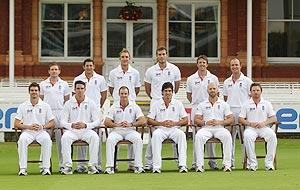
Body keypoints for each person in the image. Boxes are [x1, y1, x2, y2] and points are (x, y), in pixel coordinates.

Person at [144, 46, 181, 170]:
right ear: (156, 56)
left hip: (171, 102)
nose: (161, 56)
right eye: (159, 54)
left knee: (175, 131)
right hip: (156, 102)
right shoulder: (150, 70)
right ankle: (149, 163)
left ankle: (179, 161)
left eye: (163, 54)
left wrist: (169, 96)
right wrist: (156, 98)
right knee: (153, 136)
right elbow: (147, 88)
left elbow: (176, 86)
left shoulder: (174, 69)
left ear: (166, 55)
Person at [107, 48, 141, 170]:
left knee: (133, 133)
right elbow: (111, 89)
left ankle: (132, 164)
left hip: (131, 104)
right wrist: (118, 98)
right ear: (119, 59)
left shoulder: (135, 73)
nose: (125, 59)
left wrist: (129, 98)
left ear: (129, 58)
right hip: (117, 104)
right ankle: (113, 164)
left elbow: (137, 89)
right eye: (123, 57)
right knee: (115, 134)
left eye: (127, 57)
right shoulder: (113, 72)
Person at [72, 58, 108, 172]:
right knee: (81, 135)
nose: (89, 67)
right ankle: (81, 165)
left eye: (91, 65)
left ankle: (97, 164)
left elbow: (104, 95)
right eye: (87, 66)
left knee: (96, 138)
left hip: (95, 110)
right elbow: (74, 95)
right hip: (81, 110)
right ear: (84, 67)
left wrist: (98, 107)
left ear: (94, 67)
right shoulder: (78, 79)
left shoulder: (100, 78)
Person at [60, 80, 101, 175]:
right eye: (78, 88)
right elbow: (62, 121)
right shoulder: (68, 103)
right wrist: (71, 125)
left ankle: (92, 166)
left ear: (85, 89)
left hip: (86, 130)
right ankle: (67, 166)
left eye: (82, 88)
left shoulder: (91, 103)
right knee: (65, 138)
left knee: (94, 137)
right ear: (74, 90)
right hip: (72, 131)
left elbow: (97, 121)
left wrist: (86, 125)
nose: (80, 90)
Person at [186, 55, 219, 170]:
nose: (202, 64)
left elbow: (217, 93)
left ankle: (212, 161)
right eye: (200, 62)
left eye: (204, 62)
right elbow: (189, 95)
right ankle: (196, 163)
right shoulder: (191, 79)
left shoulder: (213, 78)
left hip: (210, 108)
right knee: (197, 137)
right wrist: (198, 105)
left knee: (211, 134)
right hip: (196, 108)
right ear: (197, 64)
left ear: (207, 64)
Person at [14, 82, 55, 176]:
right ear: (29, 92)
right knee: (22, 140)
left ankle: (45, 168)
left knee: (47, 140)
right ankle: (23, 168)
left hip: (41, 131)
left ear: (39, 92)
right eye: (32, 90)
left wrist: (43, 126)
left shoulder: (45, 105)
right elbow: (16, 123)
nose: (34, 92)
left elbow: (52, 122)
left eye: (36, 90)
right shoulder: (23, 106)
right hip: (27, 132)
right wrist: (28, 126)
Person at [104, 86, 146, 174]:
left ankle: (138, 166)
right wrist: (117, 124)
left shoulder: (134, 106)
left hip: (130, 131)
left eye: (125, 94)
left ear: (128, 94)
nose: (124, 96)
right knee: (110, 140)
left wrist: (131, 124)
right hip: (117, 131)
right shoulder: (114, 106)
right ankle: (110, 167)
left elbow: (143, 120)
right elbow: (106, 121)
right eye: (122, 94)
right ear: (119, 95)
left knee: (138, 139)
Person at [148, 82, 188, 173]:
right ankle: (156, 167)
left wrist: (175, 123)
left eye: (170, 91)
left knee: (181, 135)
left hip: (174, 129)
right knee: (156, 135)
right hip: (160, 129)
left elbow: (185, 120)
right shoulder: (156, 104)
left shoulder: (178, 103)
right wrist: (161, 123)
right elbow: (149, 120)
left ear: (172, 92)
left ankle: (182, 165)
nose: (168, 93)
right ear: (162, 92)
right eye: (165, 91)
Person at [194, 83, 233, 172]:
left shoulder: (224, 104)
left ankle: (227, 165)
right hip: (206, 128)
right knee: (199, 136)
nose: (212, 90)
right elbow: (196, 119)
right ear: (207, 90)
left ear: (217, 90)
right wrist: (205, 122)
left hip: (220, 128)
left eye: (214, 88)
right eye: (210, 89)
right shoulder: (202, 104)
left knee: (227, 136)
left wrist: (220, 122)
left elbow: (231, 119)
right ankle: (199, 165)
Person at [239, 83, 277, 171]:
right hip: (251, 128)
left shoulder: (267, 103)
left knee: (272, 136)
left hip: (264, 128)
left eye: (257, 90)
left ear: (261, 91)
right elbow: (240, 119)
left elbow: (274, 117)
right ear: (250, 92)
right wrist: (249, 123)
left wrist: (264, 123)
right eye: (254, 90)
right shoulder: (246, 104)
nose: (256, 92)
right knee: (248, 137)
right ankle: (252, 164)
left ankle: (269, 163)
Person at [223, 57, 253, 168]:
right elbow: (225, 98)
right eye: (232, 65)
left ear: (241, 66)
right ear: (230, 67)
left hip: (243, 112)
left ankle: (248, 162)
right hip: (230, 112)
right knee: (229, 138)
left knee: (245, 137)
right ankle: (230, 162)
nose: (235, 67)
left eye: (236, 65)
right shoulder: (227, 82)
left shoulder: (247, 81)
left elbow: (252, 97)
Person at [40, 63, 70, 172]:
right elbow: (40, 100)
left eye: (56, 69)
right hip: (47, 113)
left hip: (60, 113)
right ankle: (44, 166)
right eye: (52, 69)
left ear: (59, 71)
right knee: (45, 139)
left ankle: (63, 165)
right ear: (48, 71)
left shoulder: (64, 84)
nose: (54, 71)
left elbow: (67, 101)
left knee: (61, 140)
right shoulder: (43, 84)